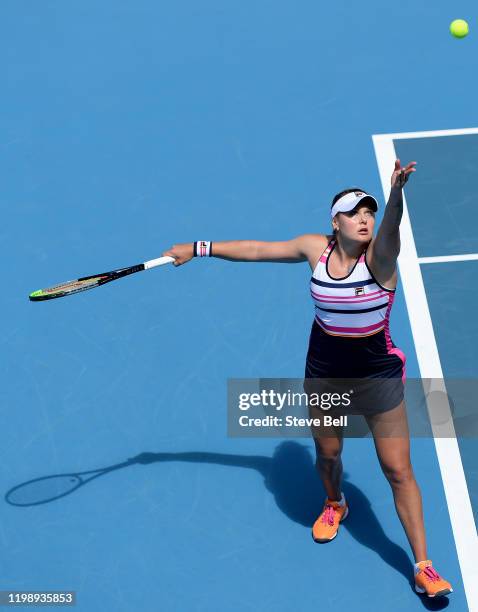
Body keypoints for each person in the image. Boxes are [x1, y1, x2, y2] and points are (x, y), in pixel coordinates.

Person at [163, 159, 453, 599]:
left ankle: (423, 565)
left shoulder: (381, 258)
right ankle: (335, 502)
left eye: (368, 213)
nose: (364, 220)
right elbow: (256, 249)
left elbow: (392, 226)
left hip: (377, 378)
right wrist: (198, 247)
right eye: (354, 212)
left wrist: (395, 195)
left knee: (397, 469)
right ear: (333, 222)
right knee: (329, 457)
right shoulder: (313, 248)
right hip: (326, 376)